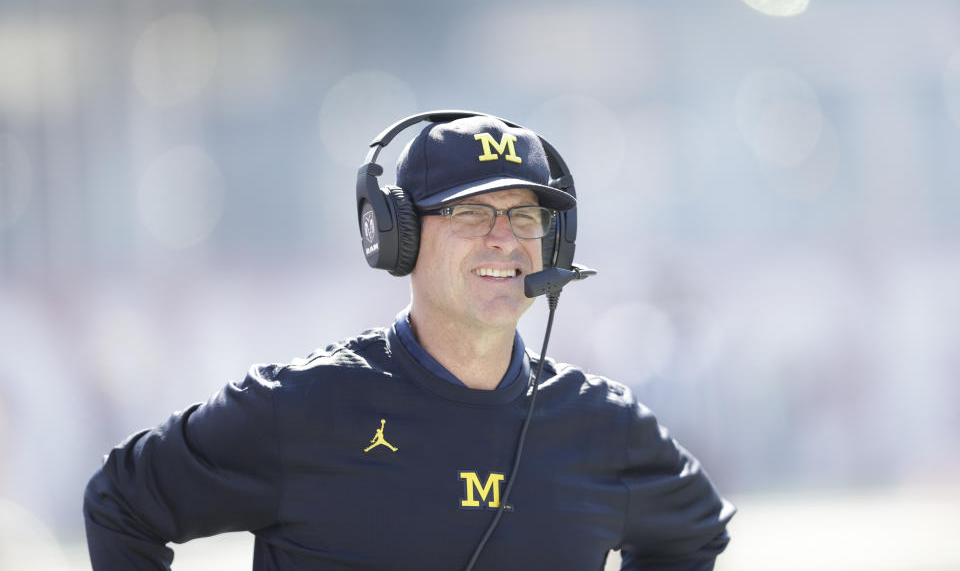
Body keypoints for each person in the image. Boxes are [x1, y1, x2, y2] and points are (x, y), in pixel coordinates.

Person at [83, 113, 735, 570]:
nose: (504, 239)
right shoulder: (304, 408)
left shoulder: (603, 426)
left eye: (525, 216)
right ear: (397, 236)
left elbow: (693, 533)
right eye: (471, 212)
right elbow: (121, 503)